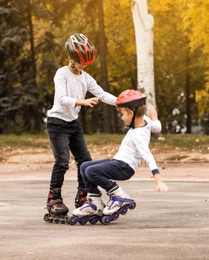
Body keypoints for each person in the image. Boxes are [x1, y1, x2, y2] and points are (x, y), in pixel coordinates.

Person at [44, 33, 117, 221]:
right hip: (57, 123)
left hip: (73, 124)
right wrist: (81, 102)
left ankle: (83, 196)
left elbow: (102, 94)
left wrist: (123, 102)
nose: (83, 67)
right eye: (80, 63)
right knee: (62, 161)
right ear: (71, 58)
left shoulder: (85, 77)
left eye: (85, 64)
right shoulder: (62, 74)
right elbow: (61, 99)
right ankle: (54, 199)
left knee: (85, 161)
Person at [72, 89, 169, 220]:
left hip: (124, 167)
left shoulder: (138, 135)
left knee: (91, 171)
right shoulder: (145, 120)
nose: (122, 117)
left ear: (131, 113)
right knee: (84, 166)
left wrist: (159, 180)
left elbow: (148, 156)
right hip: (118, 162)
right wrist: (155, 118)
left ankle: (119, 196)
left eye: (122, 114)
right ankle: (95, 203)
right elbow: (157, 127)